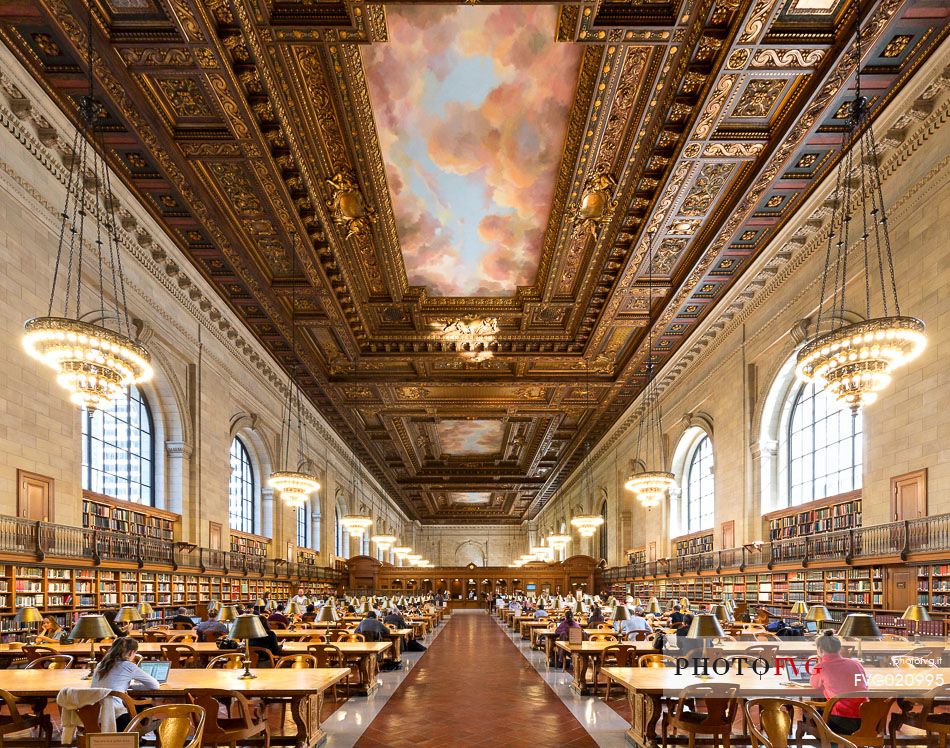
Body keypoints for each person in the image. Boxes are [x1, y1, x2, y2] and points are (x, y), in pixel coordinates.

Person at [91, 637, 159, 730]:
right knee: (149, 705)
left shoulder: (101, 664)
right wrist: (135, 687)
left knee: (139, 701)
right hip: (116, 717)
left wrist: (130, 686)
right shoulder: (128, 666)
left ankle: (137, 739)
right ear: (131, 652)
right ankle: (137, 734)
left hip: (94, 714)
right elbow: (155, 685)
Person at [809, 631, 868, 735]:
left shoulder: (821, 667)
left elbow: (815, 685)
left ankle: (828, 741)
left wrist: (819, 663)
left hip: (841, 721)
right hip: (867, 719)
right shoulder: (856, 664)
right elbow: (863, 683)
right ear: (839, 648)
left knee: (809, 715)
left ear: (820, 649)